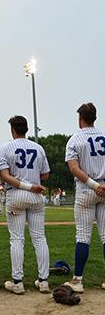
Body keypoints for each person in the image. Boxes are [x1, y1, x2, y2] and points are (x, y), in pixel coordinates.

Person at [0, 115, 50, 294]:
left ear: (12, 129)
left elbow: (4, 175)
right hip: (36, 196)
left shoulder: (5, 148)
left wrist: (23, 181)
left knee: (17, 239)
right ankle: (43, 281)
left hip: (16, 194)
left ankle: (18, 282)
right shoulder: (38, 147)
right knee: (39, 238)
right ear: (26, 129)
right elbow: (45, 175)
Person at [64, 103, 105, 293]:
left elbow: (74, 168)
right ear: (94, 117)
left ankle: (78, 280)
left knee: (83, 236)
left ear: (81, 118)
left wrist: (93, 185)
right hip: (104, 188)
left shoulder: (75, 139)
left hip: (86, 190)